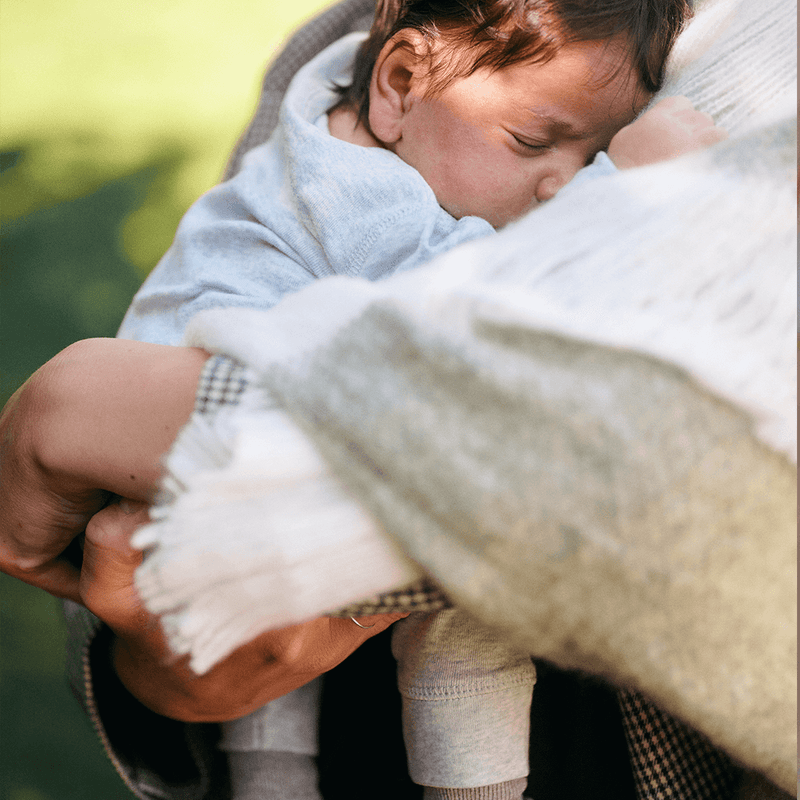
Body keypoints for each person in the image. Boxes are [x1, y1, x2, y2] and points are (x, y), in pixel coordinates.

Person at [2, 0, 794, 797]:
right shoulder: (361, 184)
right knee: (436, 648)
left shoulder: (396, 88)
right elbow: (468, 315)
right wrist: (625, 188)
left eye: (590, 156)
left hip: (237, 494)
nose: (562, 185)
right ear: (400, 83)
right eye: (532, 142)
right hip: (225, 487)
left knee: (356, 685)